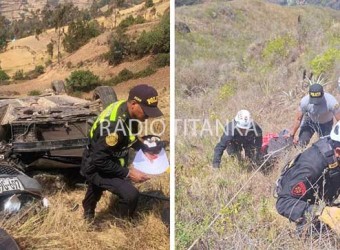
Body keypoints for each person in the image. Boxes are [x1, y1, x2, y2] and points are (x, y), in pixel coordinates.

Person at [81, 84, 163, 221]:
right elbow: (99, 160)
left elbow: (129, 136)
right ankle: (122, 222)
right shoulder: (113, 127)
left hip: (108, 157)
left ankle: (88, 209)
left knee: (96, 187)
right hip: (95, 165)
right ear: (133, 104)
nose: (148, 116)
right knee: (130, 194)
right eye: (146, 111)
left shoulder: (126, 110)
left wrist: (143, 150)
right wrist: (129, 173)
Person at [276, 121, 340, 234]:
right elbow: (284, 202)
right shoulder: (311, 165)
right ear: (338, 151)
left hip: (326, 193)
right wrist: (321, 212)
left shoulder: (336, 156)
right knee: (321, 232)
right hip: (304, 202)